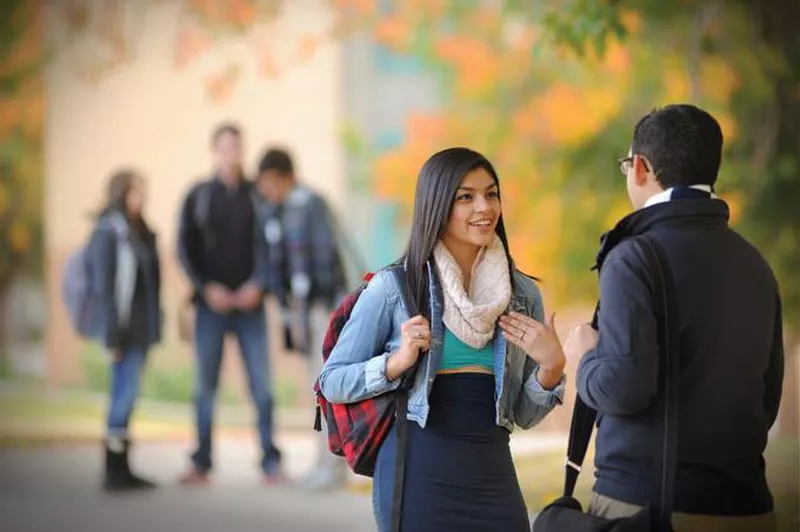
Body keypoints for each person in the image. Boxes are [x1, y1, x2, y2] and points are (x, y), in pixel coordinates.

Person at [318, 147, 566, 531]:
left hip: (492, 473)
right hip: (417, 474)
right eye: (465, 197)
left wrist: (551, 368)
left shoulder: (521, 295)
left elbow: (521, 415)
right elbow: (331, 382)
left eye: (491, 193)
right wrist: (395, 363)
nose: (484, 206)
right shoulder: (395, 287)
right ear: (436, 205)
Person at [564, 104, 784, 532]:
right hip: (751, 509)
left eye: (628, 164)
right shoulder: (755, 263)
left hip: (650, 509)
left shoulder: (633, 257)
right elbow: (768, 400)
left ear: (641, 168)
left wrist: (584, 358)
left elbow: (623, 389)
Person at [176, 123, 284, 485]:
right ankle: (201, 463)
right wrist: (206, 288)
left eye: (236, 147)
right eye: (224, 147)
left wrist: (260, 284)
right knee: (205, 388)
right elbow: (183, 248)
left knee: (263, 388)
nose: (231, 153)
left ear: (243, 149)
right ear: (215, 150)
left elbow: (274, 246)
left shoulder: (258, 195)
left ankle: (271, 462)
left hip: (251, 308)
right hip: (211, 309)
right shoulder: (199, 196)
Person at [255, 147, 350, 492]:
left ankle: (334, 465)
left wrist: (314, 303)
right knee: (317, 387)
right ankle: (322, 462)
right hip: (303, 310)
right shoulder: (280, 210)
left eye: (267, 183)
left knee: (328, 385)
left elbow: (325, 257)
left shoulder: (311, 204)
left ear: (282, 176)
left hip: (322, 308)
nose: (265, 191)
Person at [87, 168, 162, 491]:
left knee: (128, 399)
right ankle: (114, 470)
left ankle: (124, 468)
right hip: (122, 333)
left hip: (140, 331)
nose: (143, 197)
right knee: (121, 397)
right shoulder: (109, 232)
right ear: (123, 193)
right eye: (137, 191)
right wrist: (111, 336)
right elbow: (104, 288)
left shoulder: (138, 231)